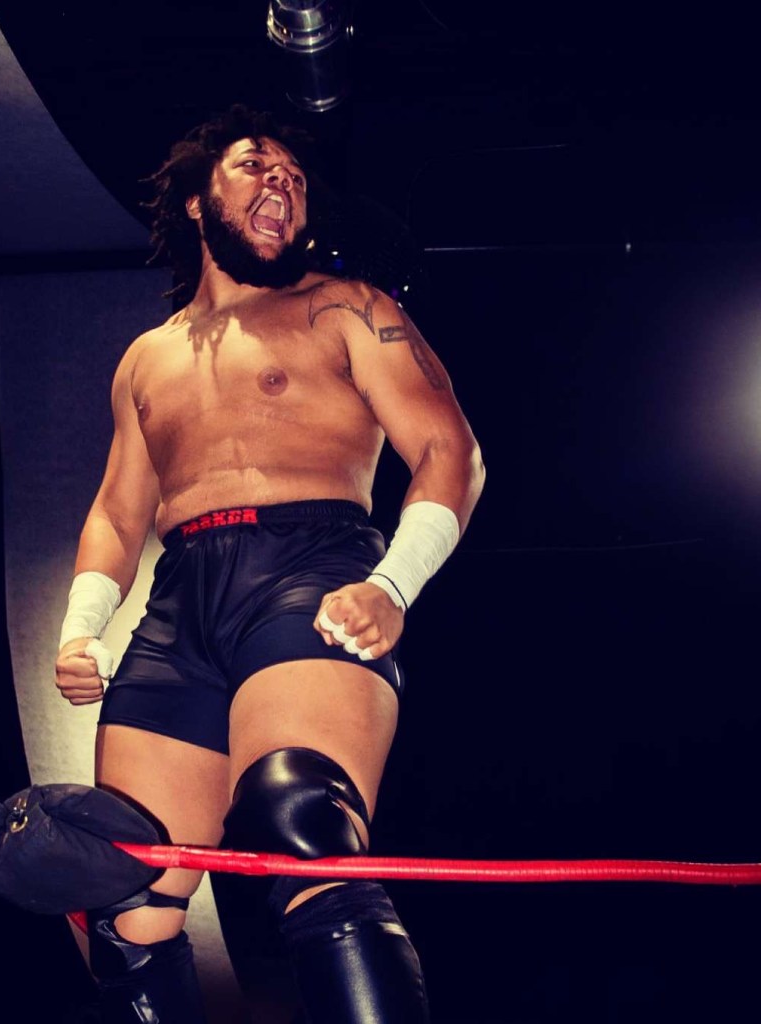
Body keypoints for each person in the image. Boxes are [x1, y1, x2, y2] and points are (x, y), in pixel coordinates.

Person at [54, 106, 484, 1024]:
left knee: (303, 824)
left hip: (312, 569)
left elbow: (452, 452)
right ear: (200, 204)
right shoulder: (145, 359)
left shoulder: (350, 307)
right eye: (257, 165)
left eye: (293, 174)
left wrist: (393, 584)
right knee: (119, 901)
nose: (282, 181)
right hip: (180, 605)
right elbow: (117, 510)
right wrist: (80, 627)